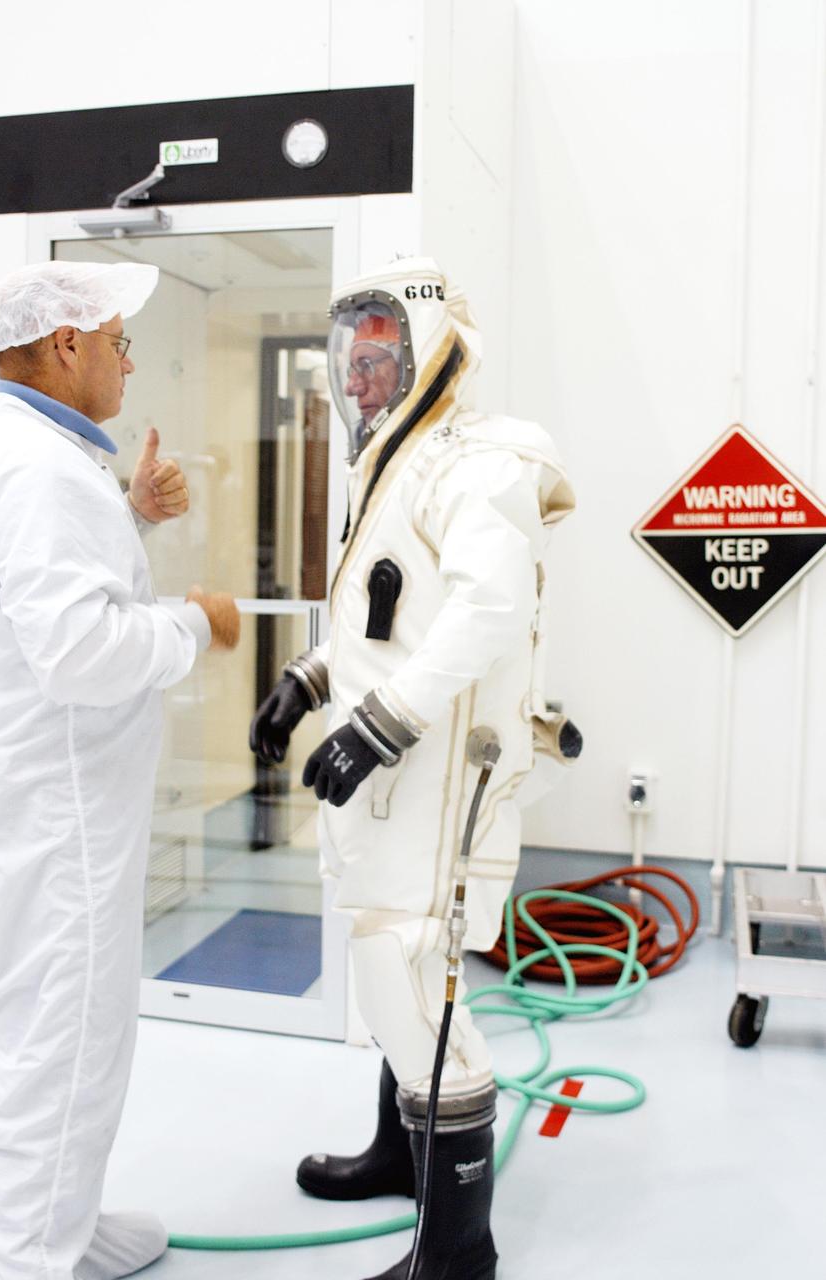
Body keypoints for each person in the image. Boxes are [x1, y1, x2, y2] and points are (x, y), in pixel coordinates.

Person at [251, 257, 580, 1280]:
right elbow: (382, 614)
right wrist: (310, 679)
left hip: (440, 771)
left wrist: (383, 720)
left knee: (410, 967)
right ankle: (402, 1153)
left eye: (378, 357)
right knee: (378, 954)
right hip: (393, 771)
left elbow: (484, 613)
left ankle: (457, 1248)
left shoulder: (476, 461)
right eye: (349, 360)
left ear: (432, 353)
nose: (357, 381)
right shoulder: (392, 465)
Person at [0, 260, 240, 1280]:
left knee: (39, 1034)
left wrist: (123, 514)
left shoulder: (27, 453)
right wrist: (195, 622)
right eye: (119, 340)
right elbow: (80, 653)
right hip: (61, 814)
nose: (131, 359)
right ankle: (22, 1258)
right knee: (63, 1049)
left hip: (37, 801)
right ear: (65, 345)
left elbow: (25, 596)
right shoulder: (40, 471)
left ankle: (62, 1228)